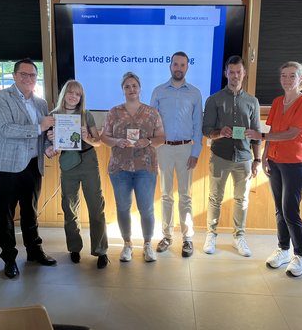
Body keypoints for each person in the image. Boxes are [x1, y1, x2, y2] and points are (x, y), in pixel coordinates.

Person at [245, 61, 302, 277]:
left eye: (292, 76)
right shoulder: (277, 102)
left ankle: (301, 256)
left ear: (301, 79)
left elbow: (292, 133)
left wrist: (262, 137)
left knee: (290, 211)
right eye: (283, 75)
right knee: (279, 209)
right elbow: (274, 130)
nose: (287, 80)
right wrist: (264, 157)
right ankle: (283, 249)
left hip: (295, 162)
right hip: (275, 161)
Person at [0, 58, 56, 279]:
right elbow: (7, 129)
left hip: (33, 165)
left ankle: (34, 251)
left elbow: (43, 136)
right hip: (6, 167)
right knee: (5, 214)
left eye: (32, 75)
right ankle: (9, 258)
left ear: (37, 78)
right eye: (23, 74)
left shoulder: (41, 103)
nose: (28, 79)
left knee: (31, 212)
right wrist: (39, 127)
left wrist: (49, 147)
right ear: (14, 76)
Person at [201, 55, 262, 257]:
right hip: (220, 155)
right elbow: (206, 130)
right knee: (215, 198)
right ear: (226, 73)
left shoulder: (252, 101)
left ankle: (239, 237)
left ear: (244, 73)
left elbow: (257, 134)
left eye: (239, 72)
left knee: (241, 199)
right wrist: (220, 132)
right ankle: (211, 235)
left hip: (244, 158)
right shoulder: (214, 100)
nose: (235, 76)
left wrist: (258, 160)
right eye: (231, 72)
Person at [101, 72, 164, 262]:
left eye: (134, 85)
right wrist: (116, 141)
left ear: (140, 88)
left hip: (146, 167)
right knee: (123, 208)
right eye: (127, 86)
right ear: (123, 89)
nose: (131, 89)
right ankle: (127, 245)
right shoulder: (114, 112)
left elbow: (161, 138)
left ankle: (147, 245)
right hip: (120, 168)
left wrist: (148, 141)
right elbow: (104, 137)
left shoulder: (152, 112)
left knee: (146, 208)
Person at [48, 80, 109, 269]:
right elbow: (51, 146)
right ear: (64, 93)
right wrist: (51, 140)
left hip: (88, 161)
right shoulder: (54, 116)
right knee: (69, 206)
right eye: (70, 92)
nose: (74, 96)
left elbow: (98, 142)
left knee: (96, 207)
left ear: (81, 97)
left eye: (78, 94)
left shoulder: (86, 115)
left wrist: (87, 138)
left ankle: (101, 250)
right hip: (68, 163)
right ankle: (74, 247)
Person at [150, 51, 202, 257]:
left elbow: (198, 125)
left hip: (186, 149)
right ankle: (167, 236)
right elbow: (151, 123)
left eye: (182, 65)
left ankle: (187, 239)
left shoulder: (195, 93)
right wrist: (153, 149)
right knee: (165, 195)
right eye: (175, 64)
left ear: (187, 68)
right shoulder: (158, 91)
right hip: (163, 148)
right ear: (170, 66)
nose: (178, 68)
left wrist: (196, 151)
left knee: (186, 195)